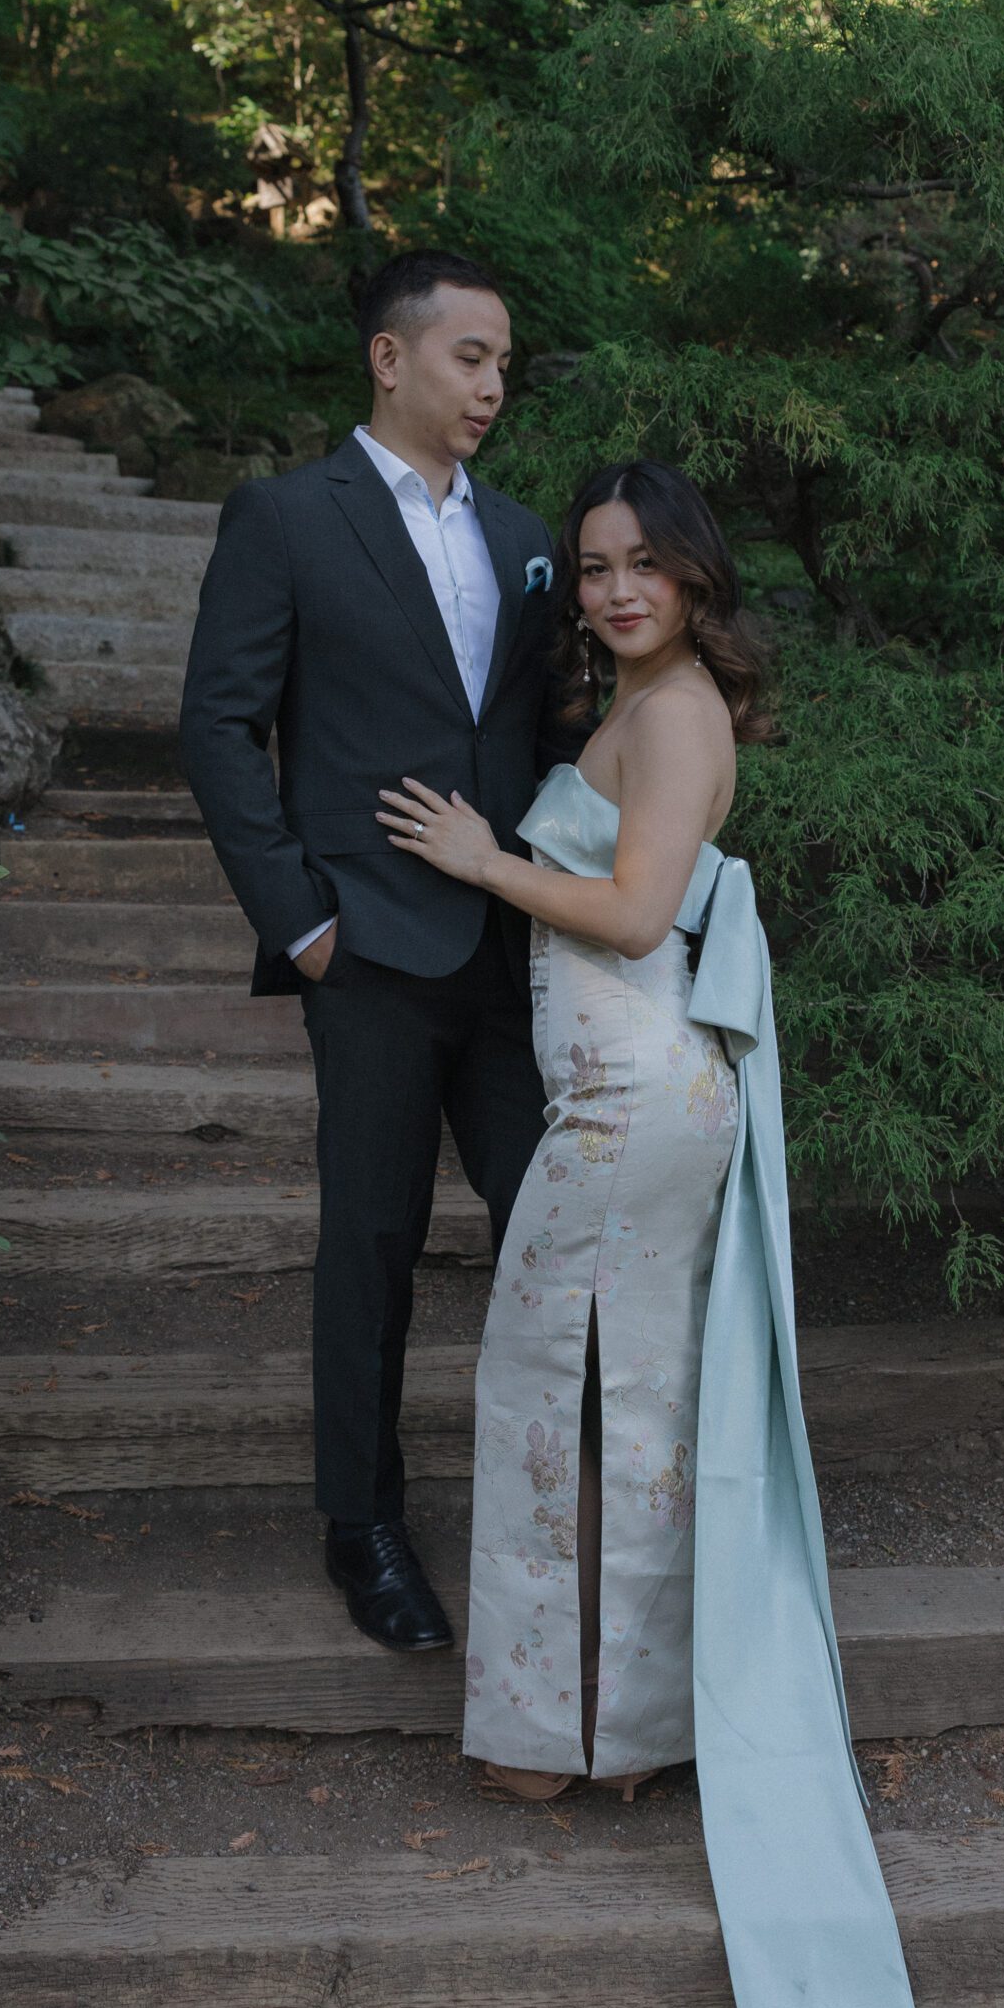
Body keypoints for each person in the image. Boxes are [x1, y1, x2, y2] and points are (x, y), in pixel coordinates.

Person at [375, 460, 988, 2008]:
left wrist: (488, 859)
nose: (619, 588)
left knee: (575, 1407)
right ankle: (604, 1727)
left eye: (649, 566)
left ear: (699, 581)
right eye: (598, 567)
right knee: (606, 1410)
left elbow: (640, 918)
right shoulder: (640, 701)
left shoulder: (681, 714)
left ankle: (585, 1732)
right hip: (628, 1097)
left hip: (634, 1099)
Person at [180, 249, 577, 1654]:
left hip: (514, 947)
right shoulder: (288, 519)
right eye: (472, 356)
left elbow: (542, 734)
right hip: (369, 955)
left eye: (506, 363)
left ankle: (575, 1512)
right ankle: (364, 1524)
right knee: (375, 1240)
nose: (493, 384)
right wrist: (303, 921)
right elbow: (220, 727)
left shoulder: (529, 535)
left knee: (554, 1221)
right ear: (391, 359)